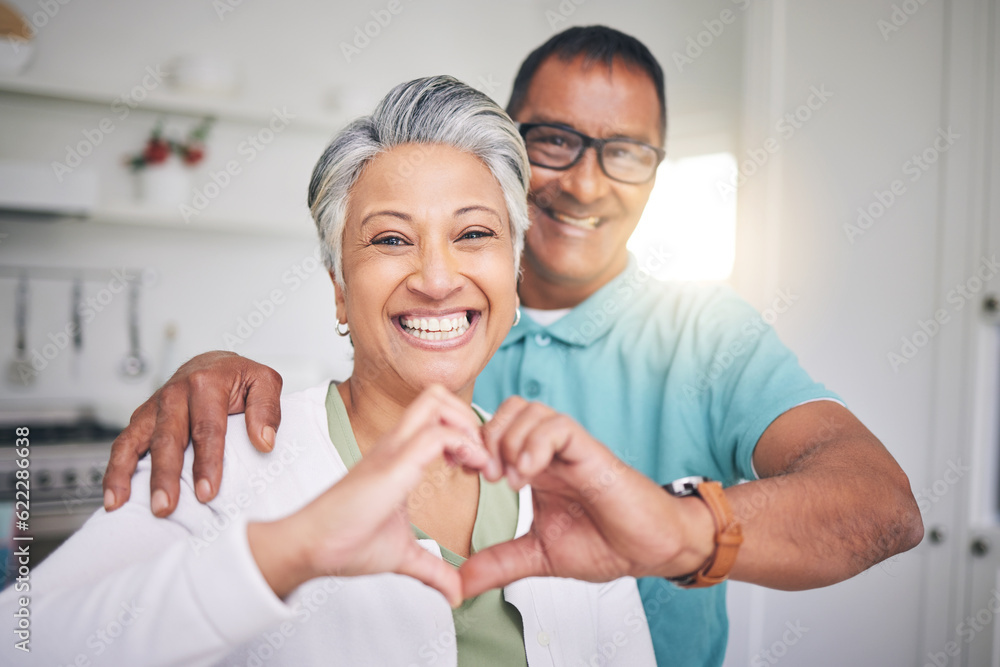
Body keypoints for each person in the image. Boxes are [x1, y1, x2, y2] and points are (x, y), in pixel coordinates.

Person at [102, 26, 924, 666]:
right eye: (556, 141)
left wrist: (670, 529)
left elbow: (883, 508)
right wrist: (212, 376)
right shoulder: (368, 368)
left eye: (626, 151)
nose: (587, 181)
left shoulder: (708, 335)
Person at [0, 75, 682, 666]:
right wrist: (286, 550)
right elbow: (21, 641)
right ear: (338, 287)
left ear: (513, 272)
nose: (438, 277)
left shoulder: (564, 492)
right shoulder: (221, 458)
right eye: (390, 239)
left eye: (474, 233)